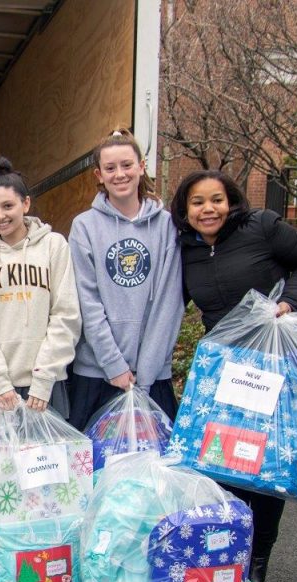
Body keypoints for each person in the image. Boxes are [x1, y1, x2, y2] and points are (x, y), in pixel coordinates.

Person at [171, 169, 297, 582]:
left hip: (271, 367)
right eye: (198, 202)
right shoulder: (184, 248)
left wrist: (290, 302)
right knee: (221, 462)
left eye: (217, 200)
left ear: (232, 201)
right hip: (223, 372)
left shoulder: (261, 227)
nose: (209, 209)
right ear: (185, 211)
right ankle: (229, 550)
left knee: (266, 466)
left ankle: (258, 558)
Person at [67, 129, 183, 430]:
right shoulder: (84, 227)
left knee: (150, 467)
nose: (120, 174)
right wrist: (114, 365)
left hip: (152, 375)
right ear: (98, 175)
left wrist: (144, 377)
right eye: (110, 168)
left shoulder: (166, 225)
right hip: (96, 372)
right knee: (92, 466)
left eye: (127, 165)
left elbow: (169, 304)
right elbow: (87, 302)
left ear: (141, 167)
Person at [0, 156, 81, 422]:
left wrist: (44, 378)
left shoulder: (54, 245)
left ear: (25, 204)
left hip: (44, 385)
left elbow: (66, 316)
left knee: (42, 463)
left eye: (8, 206)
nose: (0, 216)